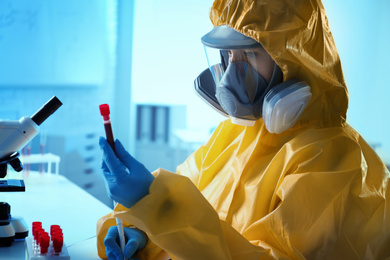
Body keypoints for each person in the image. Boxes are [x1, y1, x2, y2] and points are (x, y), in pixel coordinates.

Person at [97, 0, 390, 259]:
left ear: (294, 59)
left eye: (248, 56)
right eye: (227, 54)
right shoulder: (231, 136)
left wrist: (154, 206)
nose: (230, 74)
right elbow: (184, 211)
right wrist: (140, 228)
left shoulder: (334, 163)